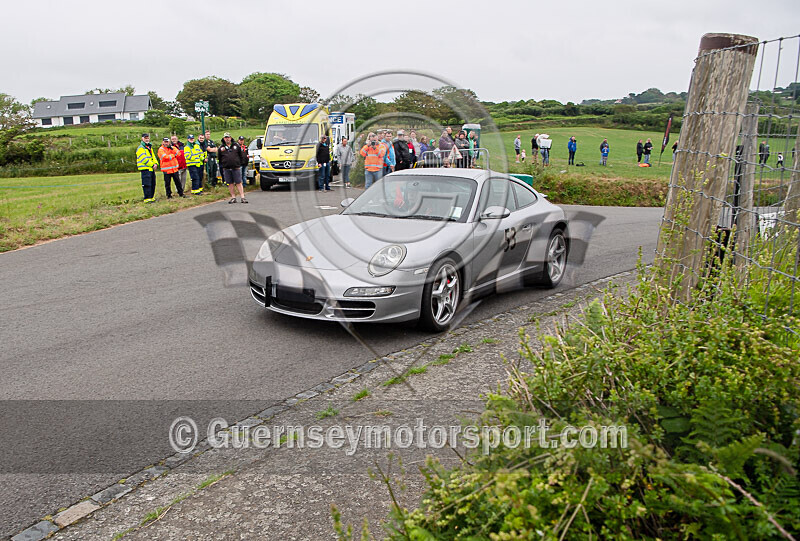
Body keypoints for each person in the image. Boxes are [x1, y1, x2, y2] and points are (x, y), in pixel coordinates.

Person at [218, 132, 247, 203]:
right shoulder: (221, 148)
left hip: (236, 167)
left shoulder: (236, 146)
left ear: (230, 138)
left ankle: (242, 197)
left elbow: (241, 155)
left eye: (228, 137)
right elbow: (219, 158)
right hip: (226, 168)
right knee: (230, 183)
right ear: (224, 138)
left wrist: (239, 164)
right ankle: (233, 197)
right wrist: (223, 165)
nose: (227, 139)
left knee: (238, 182)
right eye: (226, 138)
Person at [135, 133, 158, 203]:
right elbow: (143, 159)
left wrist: (156, 163)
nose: (147, 139)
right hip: (145, 169)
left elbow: (153, 156)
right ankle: (147, 199)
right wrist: (152, 165)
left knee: (153, 183)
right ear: (142, 139)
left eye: (148, 138)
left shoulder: (149, 147)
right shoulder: (141, 148)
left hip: (151, 169)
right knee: (147, 184)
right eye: (145, 138)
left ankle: (151, 197)